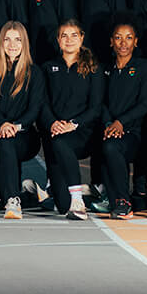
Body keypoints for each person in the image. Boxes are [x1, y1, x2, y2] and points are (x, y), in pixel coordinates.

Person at [40, 20, 102, 220]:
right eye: (64, 35)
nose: (69, 40)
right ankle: (69, 196)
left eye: (74, 35)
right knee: (62, 207)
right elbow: (43, 103)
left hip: (83, 133)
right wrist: (52, 122)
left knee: (60, 141)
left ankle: (78, 200)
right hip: (56, 131)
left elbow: (96, 108)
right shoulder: (48, 67)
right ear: (58, 40)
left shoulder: (93, 68)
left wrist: (73, 124)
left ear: (81, 38)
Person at [0, 21, 44, 221]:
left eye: (17, 39)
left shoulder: (34, 73)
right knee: (0, 143)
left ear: (24, 43)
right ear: (1, 43)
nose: (12, 44)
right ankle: (25, 192)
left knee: (7, 142)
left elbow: (34, 109)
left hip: (25, 136)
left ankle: (14, 200)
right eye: (7, 39)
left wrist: (15, 126)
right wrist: (2, 124)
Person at [99, 18, 147, 220]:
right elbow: (100, 102)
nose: (123, 42)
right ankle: (113, 199)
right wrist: (109, 124)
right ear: (111, 42)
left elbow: (144, 104)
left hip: (134, 133)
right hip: (109, 129)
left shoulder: (145, 67)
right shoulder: (104, 69)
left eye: (129, 38)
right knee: (108, 144)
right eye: (118, 38)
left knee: (112, 147)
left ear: (136, 42)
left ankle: (123, 200)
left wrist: (121, 122)